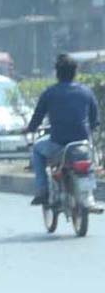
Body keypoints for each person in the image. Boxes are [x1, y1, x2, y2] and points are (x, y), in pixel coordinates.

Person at [25, 53, 99, 206]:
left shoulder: (50, 92)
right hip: (81, 143)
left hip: (57, 143)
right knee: (89, 163)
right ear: (75, 72)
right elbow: (94, 120)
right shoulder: (86, 92)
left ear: (57, 73)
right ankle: (89, 196)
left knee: (37, 150)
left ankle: (42, 190)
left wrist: (29, 129)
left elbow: (37, 118)